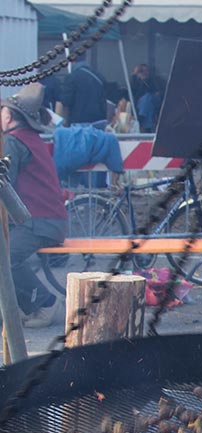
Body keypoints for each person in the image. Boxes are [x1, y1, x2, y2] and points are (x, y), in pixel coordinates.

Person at [0, 84, 68, 328]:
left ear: (8, 116)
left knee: (5, 261)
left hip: (39, 222)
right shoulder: (28, 138)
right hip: (44, 220)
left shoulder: (13, 142)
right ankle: (17, 307)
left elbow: (3, 185)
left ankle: (46, 303)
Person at [58, 53, 107, 126]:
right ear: (85, 57)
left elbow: (65, 102)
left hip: (79, 124)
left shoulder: (71, 78)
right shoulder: (99, 76)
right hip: (99, 122)